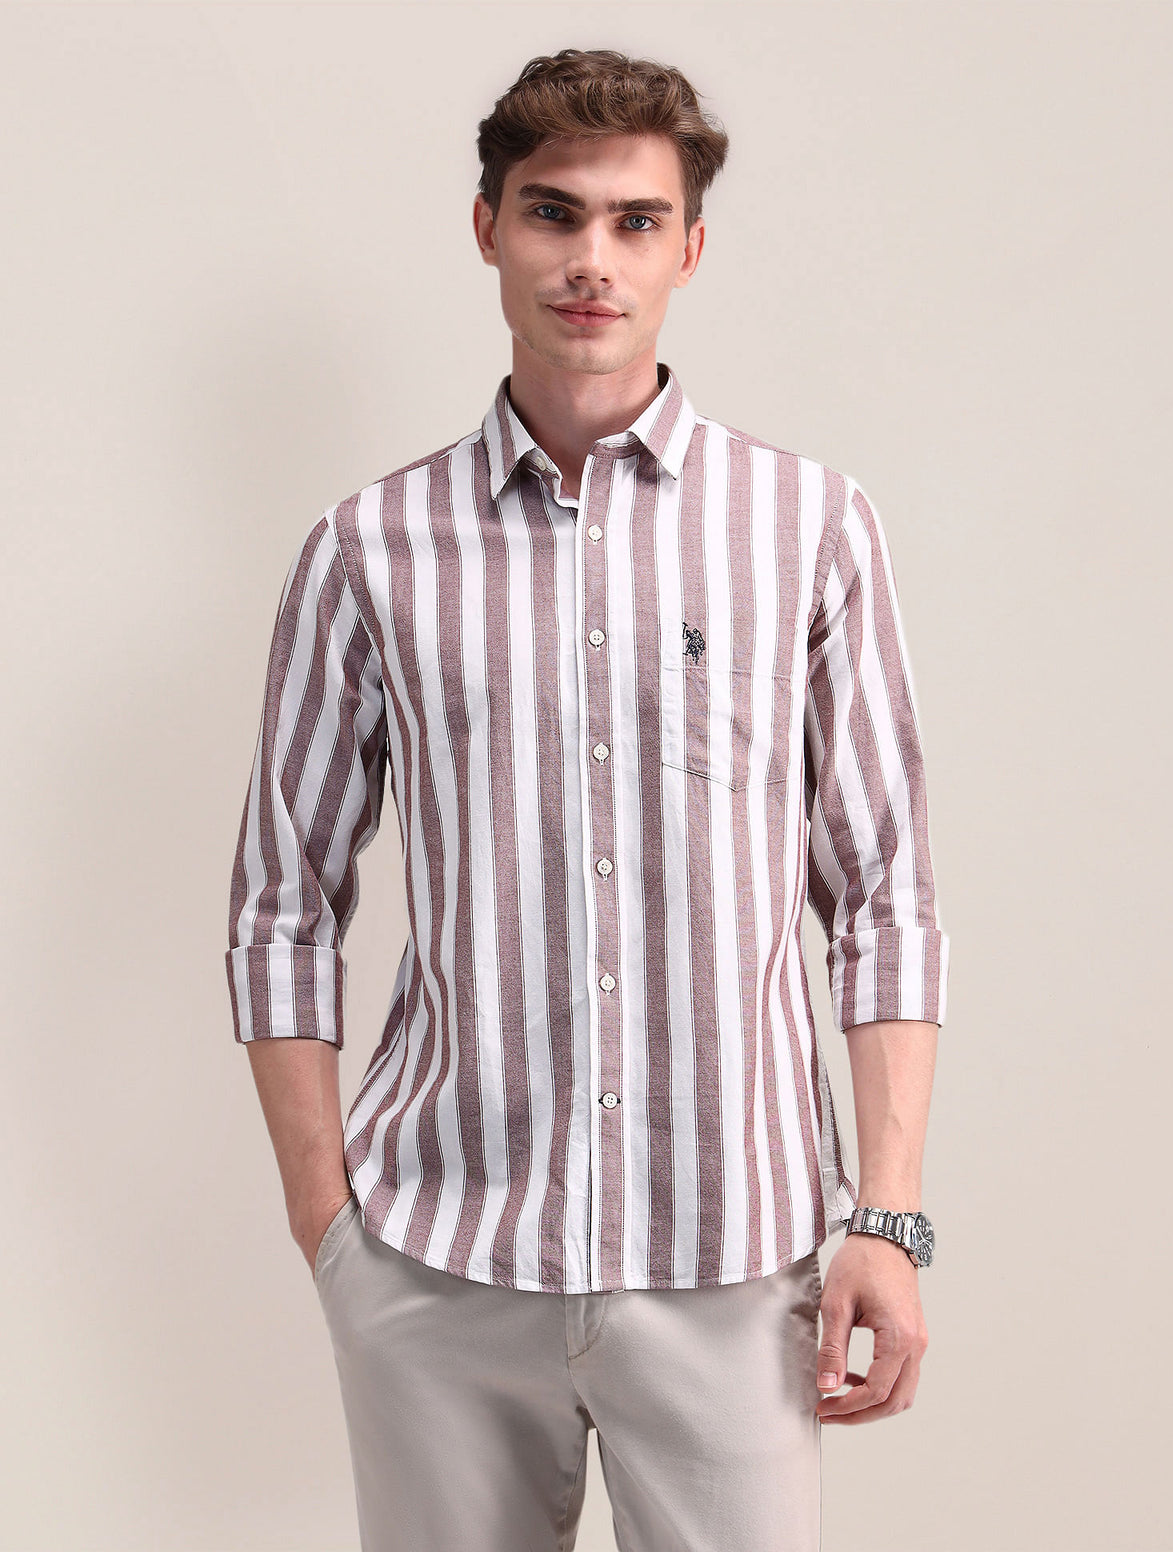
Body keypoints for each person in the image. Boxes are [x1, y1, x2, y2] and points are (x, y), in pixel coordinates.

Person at [224, 46, 950, 1552]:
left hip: (737, 1263)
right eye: (554, 212)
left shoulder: (809, 530)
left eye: (636, 221)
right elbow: (282, 906)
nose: (591, 261)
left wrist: (884, 1218)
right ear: (487, 227)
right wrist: (326, 1223)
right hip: (439, 1255)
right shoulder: (370, 550)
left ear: (691, 248)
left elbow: (883, 895)